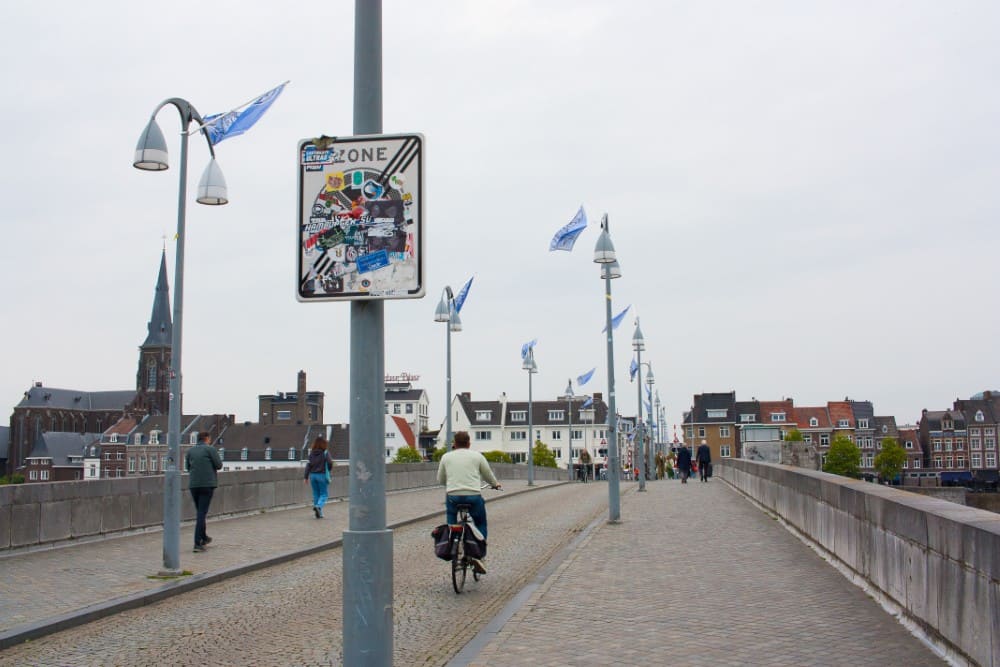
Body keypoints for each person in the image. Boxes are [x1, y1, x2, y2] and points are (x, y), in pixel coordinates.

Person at [436, 431, 501, 574]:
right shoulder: (477, 456)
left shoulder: (446, 457)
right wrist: (495, 484)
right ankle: (479, 556)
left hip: (453, 497)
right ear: (469, 443)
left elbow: (440, 480)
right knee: (480, 523)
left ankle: (452, 545)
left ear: (454, 443)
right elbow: (487, 474)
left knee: (451, 524)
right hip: (473, 496)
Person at [185, 431, 223, 553]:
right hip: (207, 485)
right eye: (209, 438)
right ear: (206, 438)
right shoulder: (210, 449)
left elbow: (188, 467)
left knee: (200, 512)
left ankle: (204, 537)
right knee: (201, 513)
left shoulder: (190, 451)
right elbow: (219, 465)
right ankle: (197, 543)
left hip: (194, 485)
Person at [303, 434, 334, 518]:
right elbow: (330, 462)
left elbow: (308, 465)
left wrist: (306, 477)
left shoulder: (311, 453)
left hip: (312, 476)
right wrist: (329, 469)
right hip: (322, 475)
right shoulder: (325, 453)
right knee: (324, 494)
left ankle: (318, 514)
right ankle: (318, 507)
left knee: (316, 494)